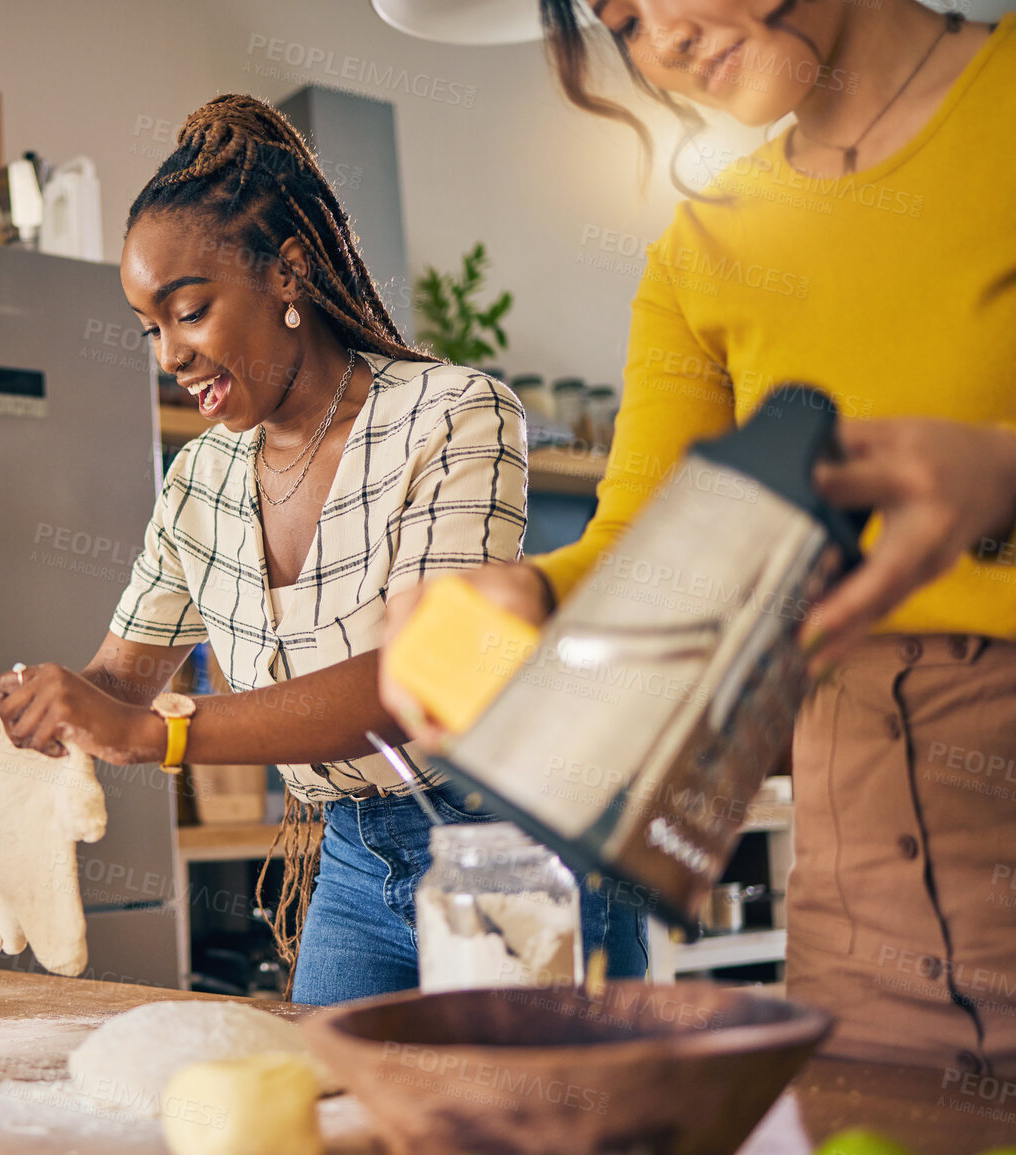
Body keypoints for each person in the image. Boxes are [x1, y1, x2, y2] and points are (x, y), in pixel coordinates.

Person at [0, 94, 647, 1006]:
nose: (169, 353)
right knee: (336, 1125)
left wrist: (158, 734)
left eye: (190, 310)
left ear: (288, 273)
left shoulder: (453, 413)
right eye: (151, 328)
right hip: (355, 865)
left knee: (534, 1128)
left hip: (513, 848)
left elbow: (422, 681)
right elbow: (115, 690)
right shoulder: (198, 479)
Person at [386, 0, 1016, 1069]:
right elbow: (643, 541)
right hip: (864, 923)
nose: (660, 40)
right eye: (619, 19)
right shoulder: (702, 251)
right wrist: (527, 597)